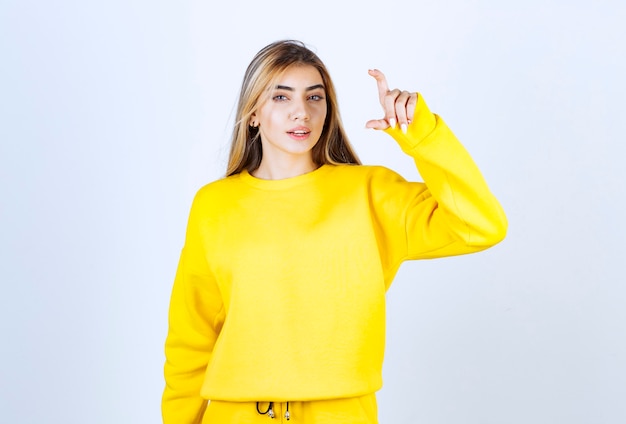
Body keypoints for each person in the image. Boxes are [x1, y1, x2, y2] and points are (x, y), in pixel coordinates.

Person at [162, 39, 507, 424]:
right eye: (281, 97)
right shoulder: (214, 204)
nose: (302, 113)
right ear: (254, 113)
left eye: (315, 97)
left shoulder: (368, 192)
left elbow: (482, 225)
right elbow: (190, 337)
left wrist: (422, 135)